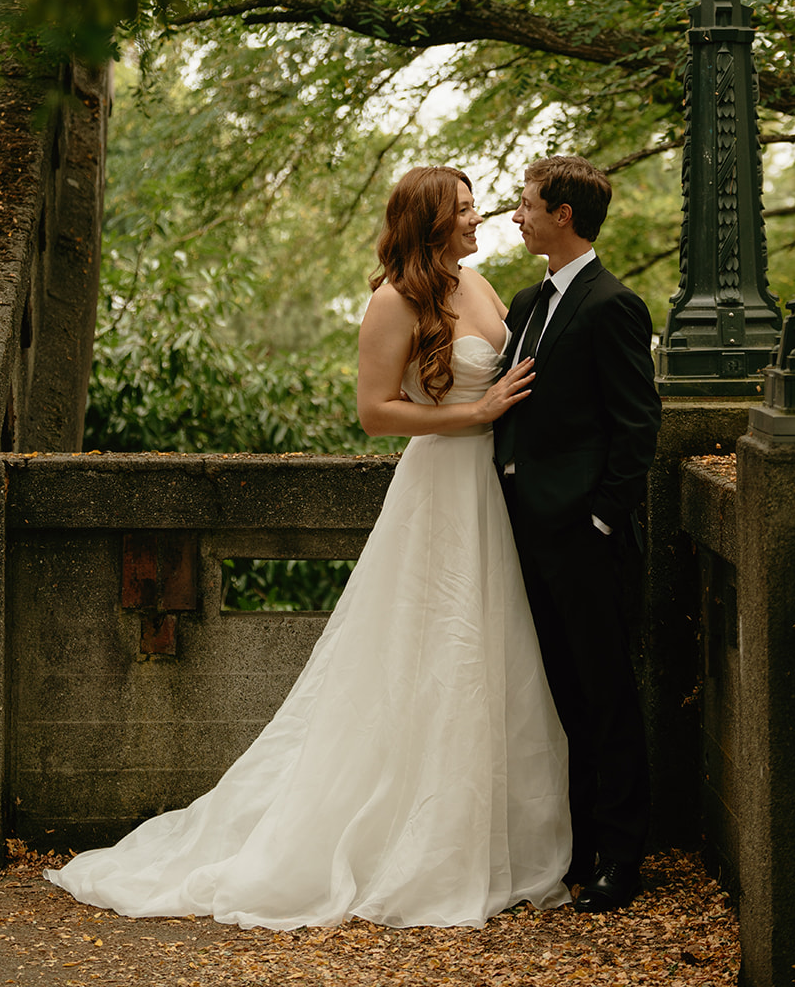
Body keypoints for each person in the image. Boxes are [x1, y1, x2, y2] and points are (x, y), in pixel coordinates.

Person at [47, 166, 572, 931]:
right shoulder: (392, 301)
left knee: (486, 653)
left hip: (490, 494)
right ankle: (403, 843)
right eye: (461, 210)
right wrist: (475, 414)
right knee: (424, 652)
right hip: (437, 490)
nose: (475, 217)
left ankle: (491, 839)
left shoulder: (483, 283)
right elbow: (374, 414)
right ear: (427, 222)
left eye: (474, 207)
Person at [495, 155, 661, 915]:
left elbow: (636, 428)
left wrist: (600, 518)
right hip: (520, 532)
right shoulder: (528, 300)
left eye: (526, 203)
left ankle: (621, 858)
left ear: (563, 214)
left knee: (604, 694)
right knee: (555, 692)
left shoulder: (612, 305)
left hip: (582, 538)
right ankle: (578, 844)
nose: (517, 215)